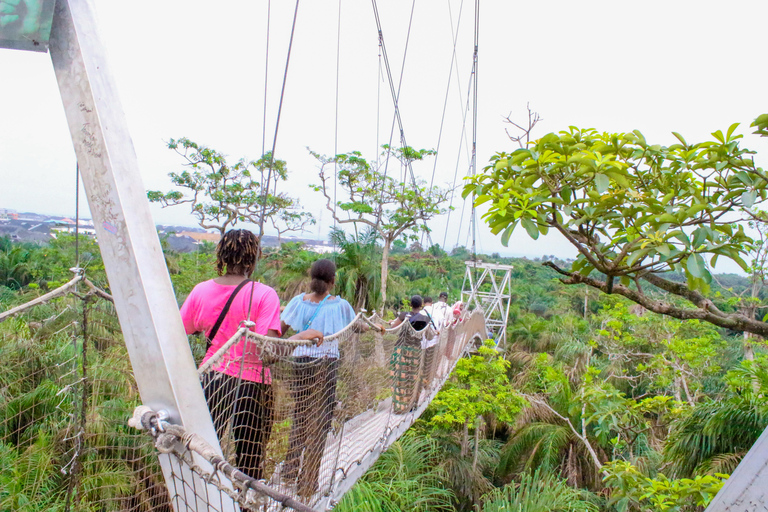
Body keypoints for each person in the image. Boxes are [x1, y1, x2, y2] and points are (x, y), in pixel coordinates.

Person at [180, 229, 320, 480]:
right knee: (250, 462)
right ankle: (246, 499)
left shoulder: (201, 291)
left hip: (211, 379)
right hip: (252, 387)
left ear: (221, 256)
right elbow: (270, 352)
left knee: (202, 453)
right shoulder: (264, 294)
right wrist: (298, 338)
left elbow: (180, 330)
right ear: (254, 259)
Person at [279, 259, 355, 496]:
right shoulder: (340, 306)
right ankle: (308, 483)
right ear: (333, 280)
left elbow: (281, 329)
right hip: (326, 364)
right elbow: (356, 325)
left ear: (311, 278)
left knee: (300, 414)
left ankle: (289, 472)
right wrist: (375, 326)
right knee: (321, 421)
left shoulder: (298, 302)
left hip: (300, 363)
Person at [390, 295, 430, 413]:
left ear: (410, 305)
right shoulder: (425, 319)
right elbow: (429, 336)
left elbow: (393, 329)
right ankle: (412, 404)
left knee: (400, 377)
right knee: (413, 378)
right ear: (421, 305)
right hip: (415, 352)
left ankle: (399, 407)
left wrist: (391, 323)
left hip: (401, 350)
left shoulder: (404, 315)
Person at [421, 292, 451, 386]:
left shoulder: (421, 312)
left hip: (421, 342)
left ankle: (419, 381)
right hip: (434, 341)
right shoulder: (446, 310)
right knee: (430, 362)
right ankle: (427, 381)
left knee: (421, 362)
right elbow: (445, 324)